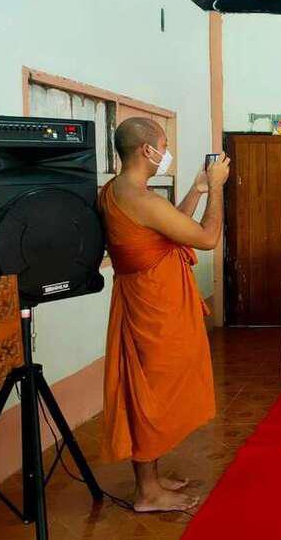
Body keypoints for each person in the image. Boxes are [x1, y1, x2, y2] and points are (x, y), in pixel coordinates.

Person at [98, 117, 230, 512]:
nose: (166, 152)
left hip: (148, 302)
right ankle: (147, 493)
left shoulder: (117, 191)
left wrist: (196, 188)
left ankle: (152, 480)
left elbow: (168, 230)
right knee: (151, 394)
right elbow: (206, 237)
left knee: (153, 390)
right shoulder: (142, 199)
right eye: (164, 145)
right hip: (153, 310)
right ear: (146, 150)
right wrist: (217, 189)